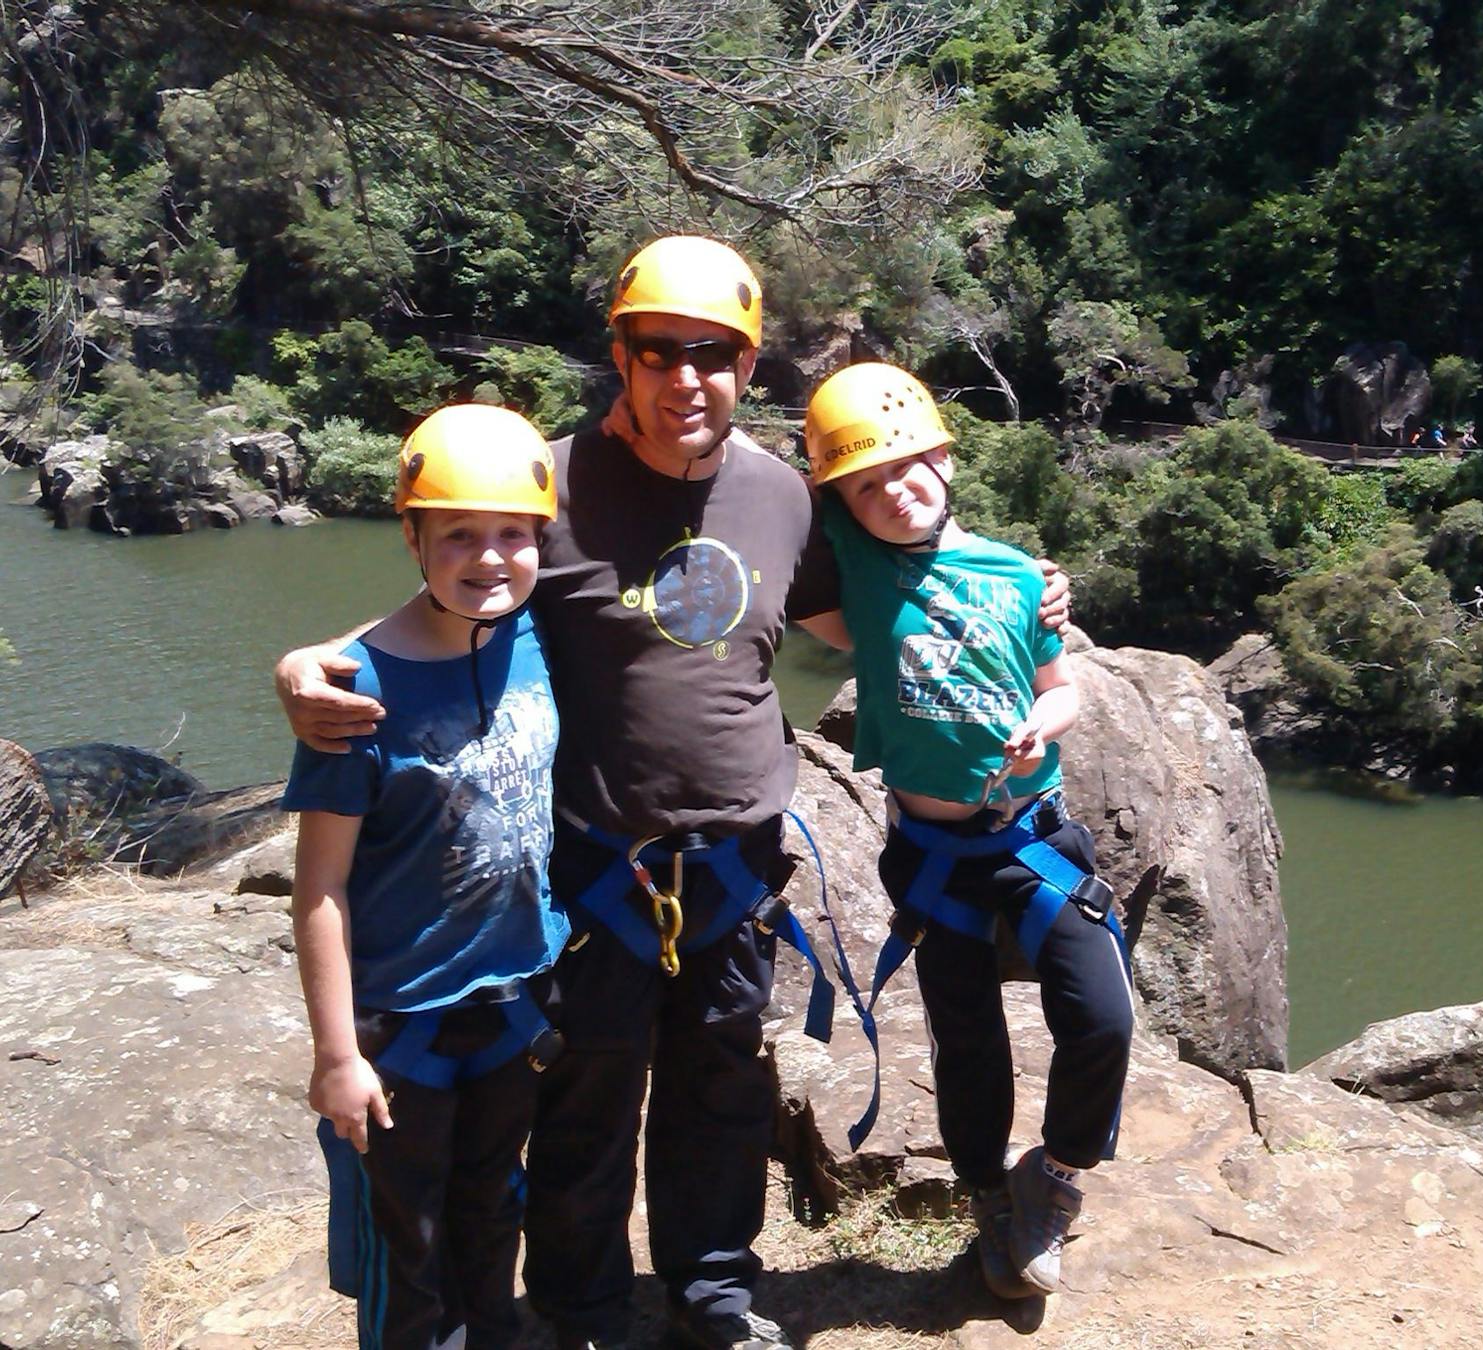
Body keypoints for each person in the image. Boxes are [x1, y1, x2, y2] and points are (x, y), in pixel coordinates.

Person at [276, 236, 1071, 1350]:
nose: (685, 378)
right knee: (585, 1108)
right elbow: (451, 592)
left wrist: (1031, 597)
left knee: (719, 1097)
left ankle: (712, 1297)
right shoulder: (548, 483)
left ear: (749, 369)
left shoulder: (786, 498)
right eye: (659, 352)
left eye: (713, 355)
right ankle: (582, 1307)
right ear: (621, 355)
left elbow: (902, 587)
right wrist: (309, 663)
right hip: (602, 863)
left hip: (737, 864)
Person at [802, 362, 1134, 1301]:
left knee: (1102, 1017)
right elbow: (775, 506)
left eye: (908, 467)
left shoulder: (1020, 575)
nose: (892, 491)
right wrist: (824, 472)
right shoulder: (860, 566)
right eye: (864, 485)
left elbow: (1060, 685)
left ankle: (1059, 1175)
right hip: (937, 858)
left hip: (1030, 842)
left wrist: (1044, 724)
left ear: (946, 457)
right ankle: (990, 1191)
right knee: (969, 1042)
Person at [284, 403, 568, 1350]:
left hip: (514, 1003)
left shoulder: (535, 639)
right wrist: (336, 1055)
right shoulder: (355, 692)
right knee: (414, 1245)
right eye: (459, 535)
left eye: (513, 536)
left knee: (493, 1210)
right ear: (411, 537)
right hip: (403, 1024)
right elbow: (318, 886)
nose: (490, 559)